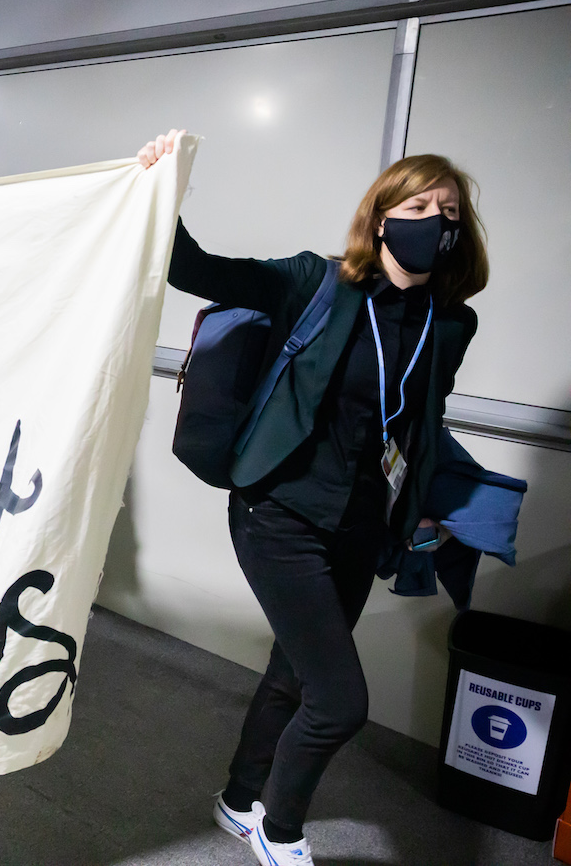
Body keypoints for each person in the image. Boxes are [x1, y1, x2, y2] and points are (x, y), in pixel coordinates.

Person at [139, 129, 486, 866]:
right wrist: (163, 186)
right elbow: (194, 268)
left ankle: (239, 799)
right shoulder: (317, 282)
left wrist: (428, 503)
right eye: (418, 203)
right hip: (279, 512)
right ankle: (282, 827)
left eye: (448, 209)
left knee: (295, 671)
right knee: (342, 699)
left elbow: (422, 420)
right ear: (383, 214)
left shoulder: (449, 324)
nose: (434, 219)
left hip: (360, 527)